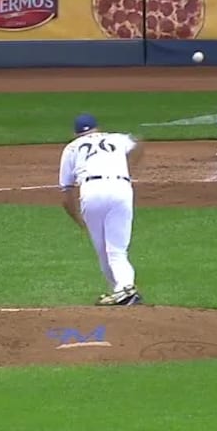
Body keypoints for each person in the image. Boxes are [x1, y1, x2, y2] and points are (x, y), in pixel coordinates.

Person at [59, 113, 145, 307]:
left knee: (103, 252)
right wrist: (129, 167)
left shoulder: (71, 148)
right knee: (117, 251)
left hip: (92, 191)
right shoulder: (116, 138)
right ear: (97, 128)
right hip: (121, 189)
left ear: (75, 133)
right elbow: (138, 142)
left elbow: (66, 193)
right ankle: (123, 290)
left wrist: (79, 220)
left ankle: (123, 290)